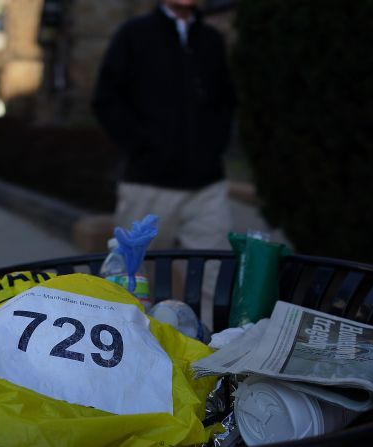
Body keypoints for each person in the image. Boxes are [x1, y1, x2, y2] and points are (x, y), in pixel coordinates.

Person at [92, 0, 236, 314]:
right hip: (149, 182)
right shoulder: (134, 33)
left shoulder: (211, 38)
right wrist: (145, 145)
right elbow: (106, 99)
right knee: (132, 281)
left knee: (217, 277)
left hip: (206, 185)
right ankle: (131, 356)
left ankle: (213, 354)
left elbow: (224, 101)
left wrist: (213, 147)